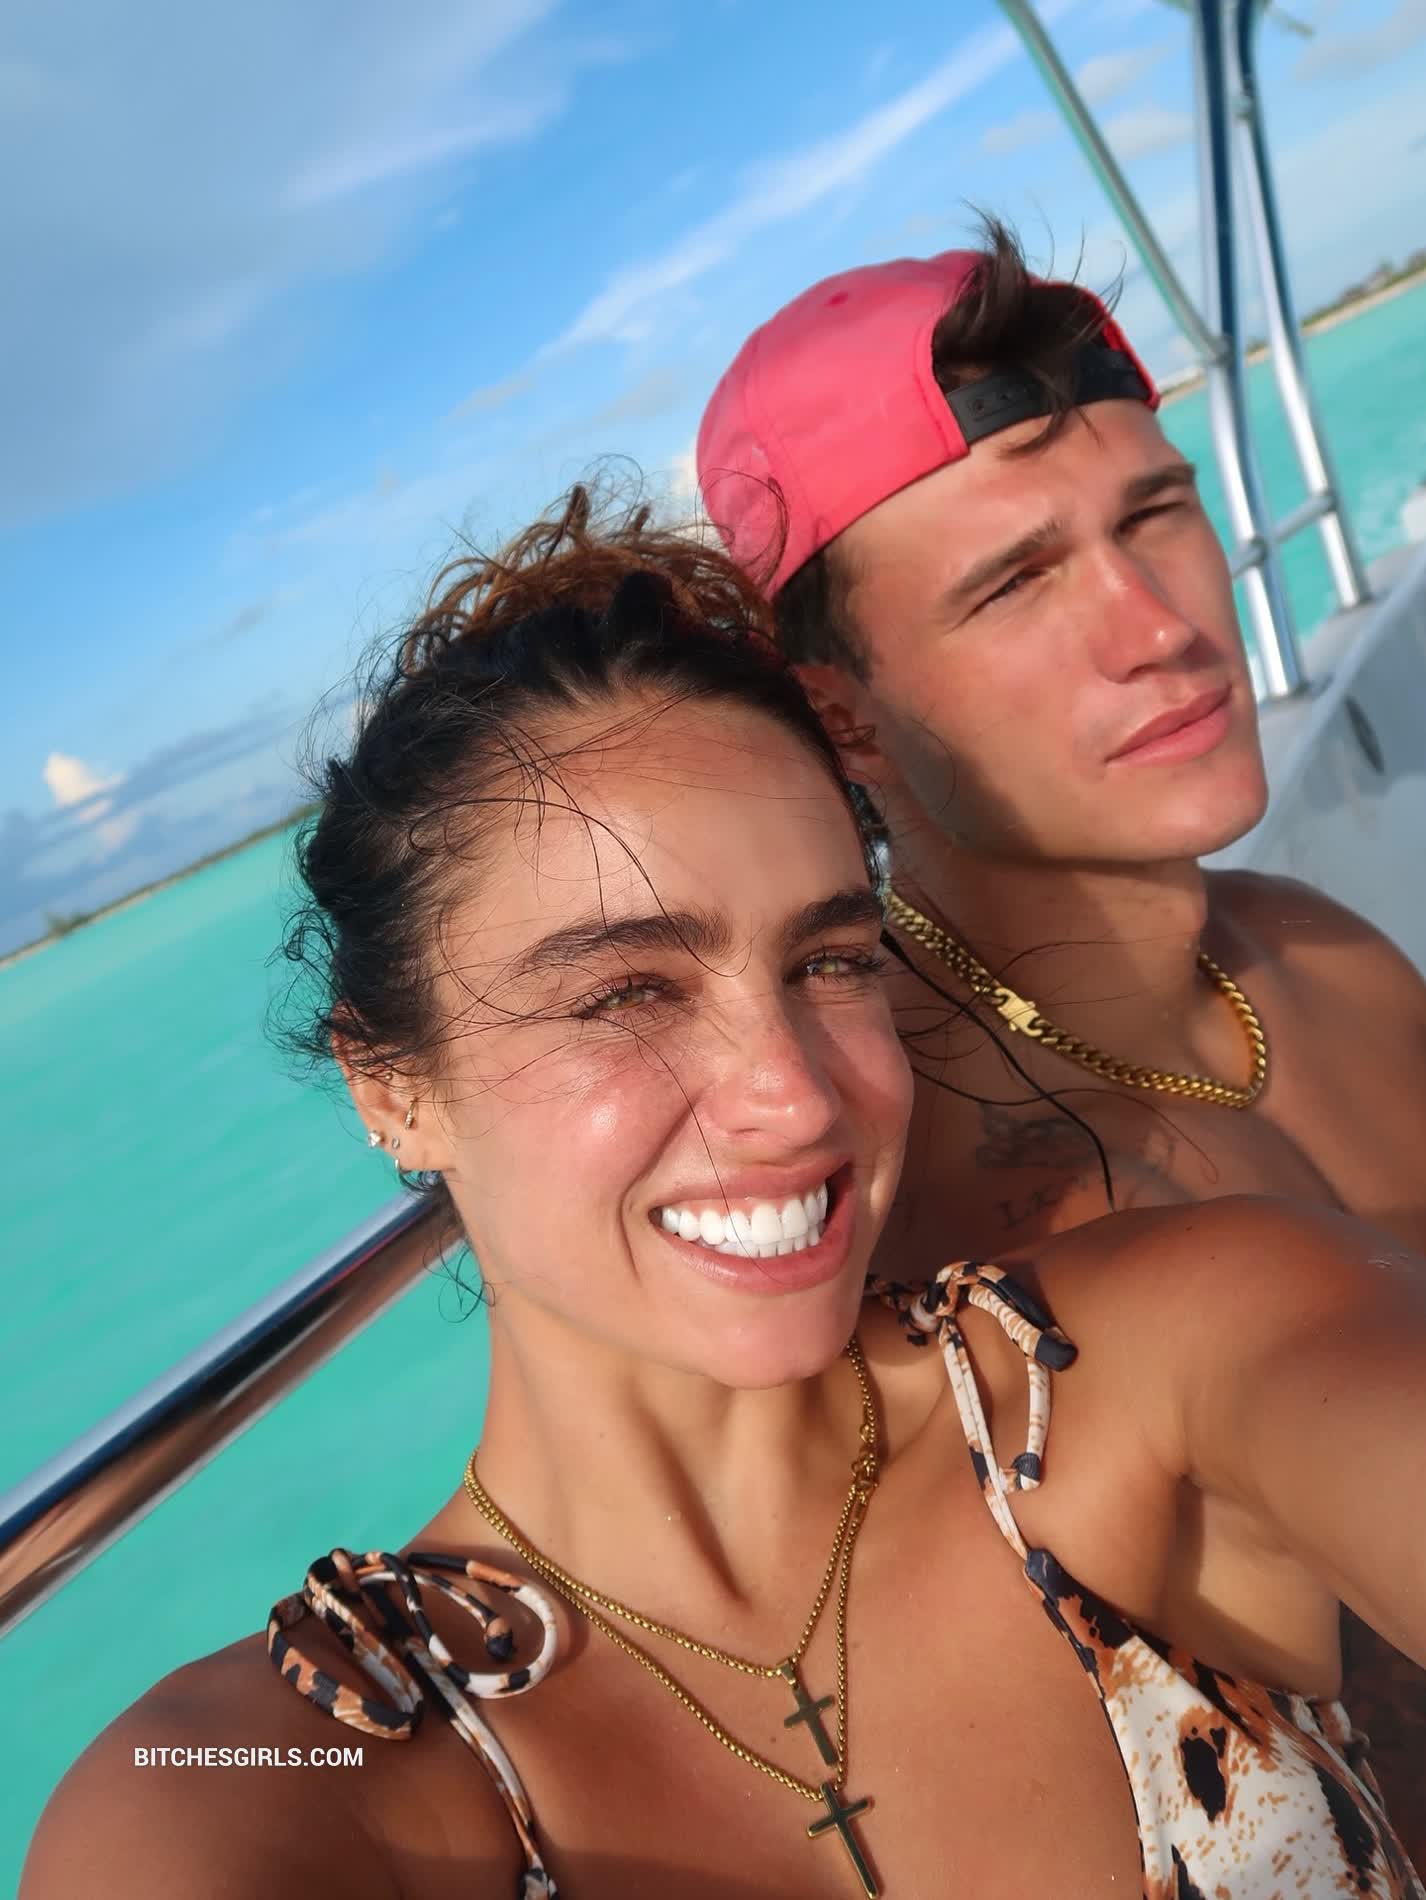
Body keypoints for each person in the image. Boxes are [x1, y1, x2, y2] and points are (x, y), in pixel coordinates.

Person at [21, 491, 1426, 1900]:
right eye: (626, 991)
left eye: (830, 961)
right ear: (393, 1086)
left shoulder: (1171, 1366)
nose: (795, 1097)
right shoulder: (282, 1768)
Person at [695, 221, 1426, 1840]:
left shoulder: (1324, 958)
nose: (1155, 623)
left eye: (1152, 514)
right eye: (1015, 582)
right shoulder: (894, 1199)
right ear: (842, 718)